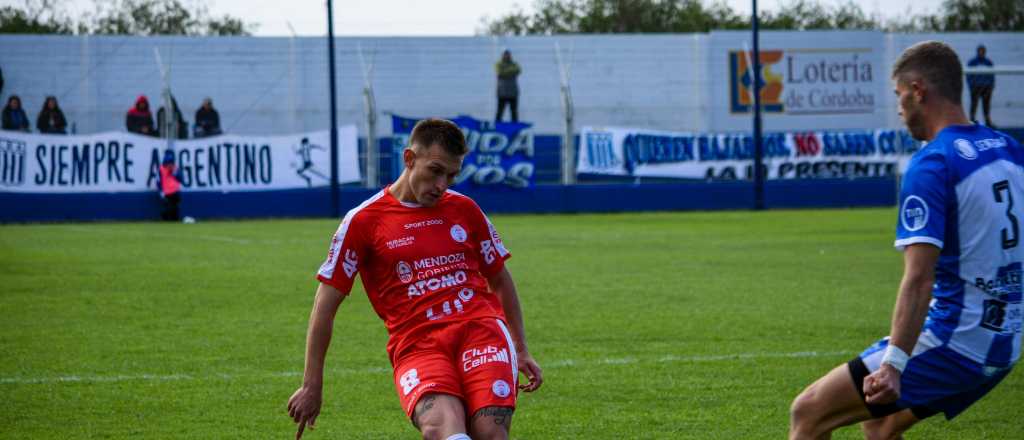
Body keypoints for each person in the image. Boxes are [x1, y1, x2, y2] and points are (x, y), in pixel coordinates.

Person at [789, 40, 1022, 439]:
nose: (898, 108)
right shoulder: (1010, 149)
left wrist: (894, 364)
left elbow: (919, 278)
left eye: (898, 94)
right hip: (1005, 341)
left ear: (917, 91)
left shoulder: (934, 163)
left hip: (957, 341)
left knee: (809, 412)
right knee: (880, 424)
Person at [287, 119, 543, 440]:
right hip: (418, 344)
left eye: (451, 176)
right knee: (440, 427)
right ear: (409, 158)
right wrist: (311, 384)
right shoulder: (363, 221)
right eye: (435, 171)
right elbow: (324, 306)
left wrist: (520, 348)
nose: (442, 184)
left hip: (481, 333)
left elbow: (500, 279)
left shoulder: (465, 209)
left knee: (489, 431)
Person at [966, 44, 995, 127]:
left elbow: (992, 76)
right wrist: (971, 86)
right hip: (976, 87)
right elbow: (968, 75)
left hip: (986, 88)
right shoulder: (972, 62)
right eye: (980, 51)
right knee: (974, 104)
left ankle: (988, 121)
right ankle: (971, 121)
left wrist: (991, 87)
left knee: (986, 105)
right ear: (977, 51)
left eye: (983, 51)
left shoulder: (988, 62)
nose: (981, 52)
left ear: (985, 52)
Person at [494, 50, 521, 123]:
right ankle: (497, 125)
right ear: (502, 55)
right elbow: (499, 72)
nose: (507, 56)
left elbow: (518, 70)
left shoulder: (514, 64)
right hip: (502, 92)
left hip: (513, 92)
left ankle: (515, 126)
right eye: (505, 54)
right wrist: (511, 72)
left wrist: (506, 71)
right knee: (500, 111)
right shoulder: (499, 64)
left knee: (514, 112)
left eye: (508, 54)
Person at [157, 150, 183, 221]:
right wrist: (161, 191)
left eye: (171, 162)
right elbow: (158, 182)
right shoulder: (161, 169)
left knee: (175, 208)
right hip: (166, 193)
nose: (170, 164)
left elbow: (180, 179)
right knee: (167, 208)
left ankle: (175, 220)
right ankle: (165, 220)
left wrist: (174, 173)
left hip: (175, 192)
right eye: (169, 162)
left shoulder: (175, 169)